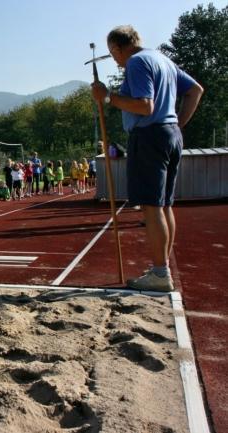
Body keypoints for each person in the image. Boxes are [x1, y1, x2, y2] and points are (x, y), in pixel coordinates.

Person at [92, 25, 203, 292]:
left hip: (149, 136)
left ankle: (160, 272)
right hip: (169, 134)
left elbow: (144, 105)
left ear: (118, 48)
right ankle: (160, 266)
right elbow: (196, 90)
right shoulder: (163, 59)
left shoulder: (137, 62)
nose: (116, 61)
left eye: (112, 54)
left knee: (152, 207)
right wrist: (177, 124)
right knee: (164, 206)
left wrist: (107, 97)